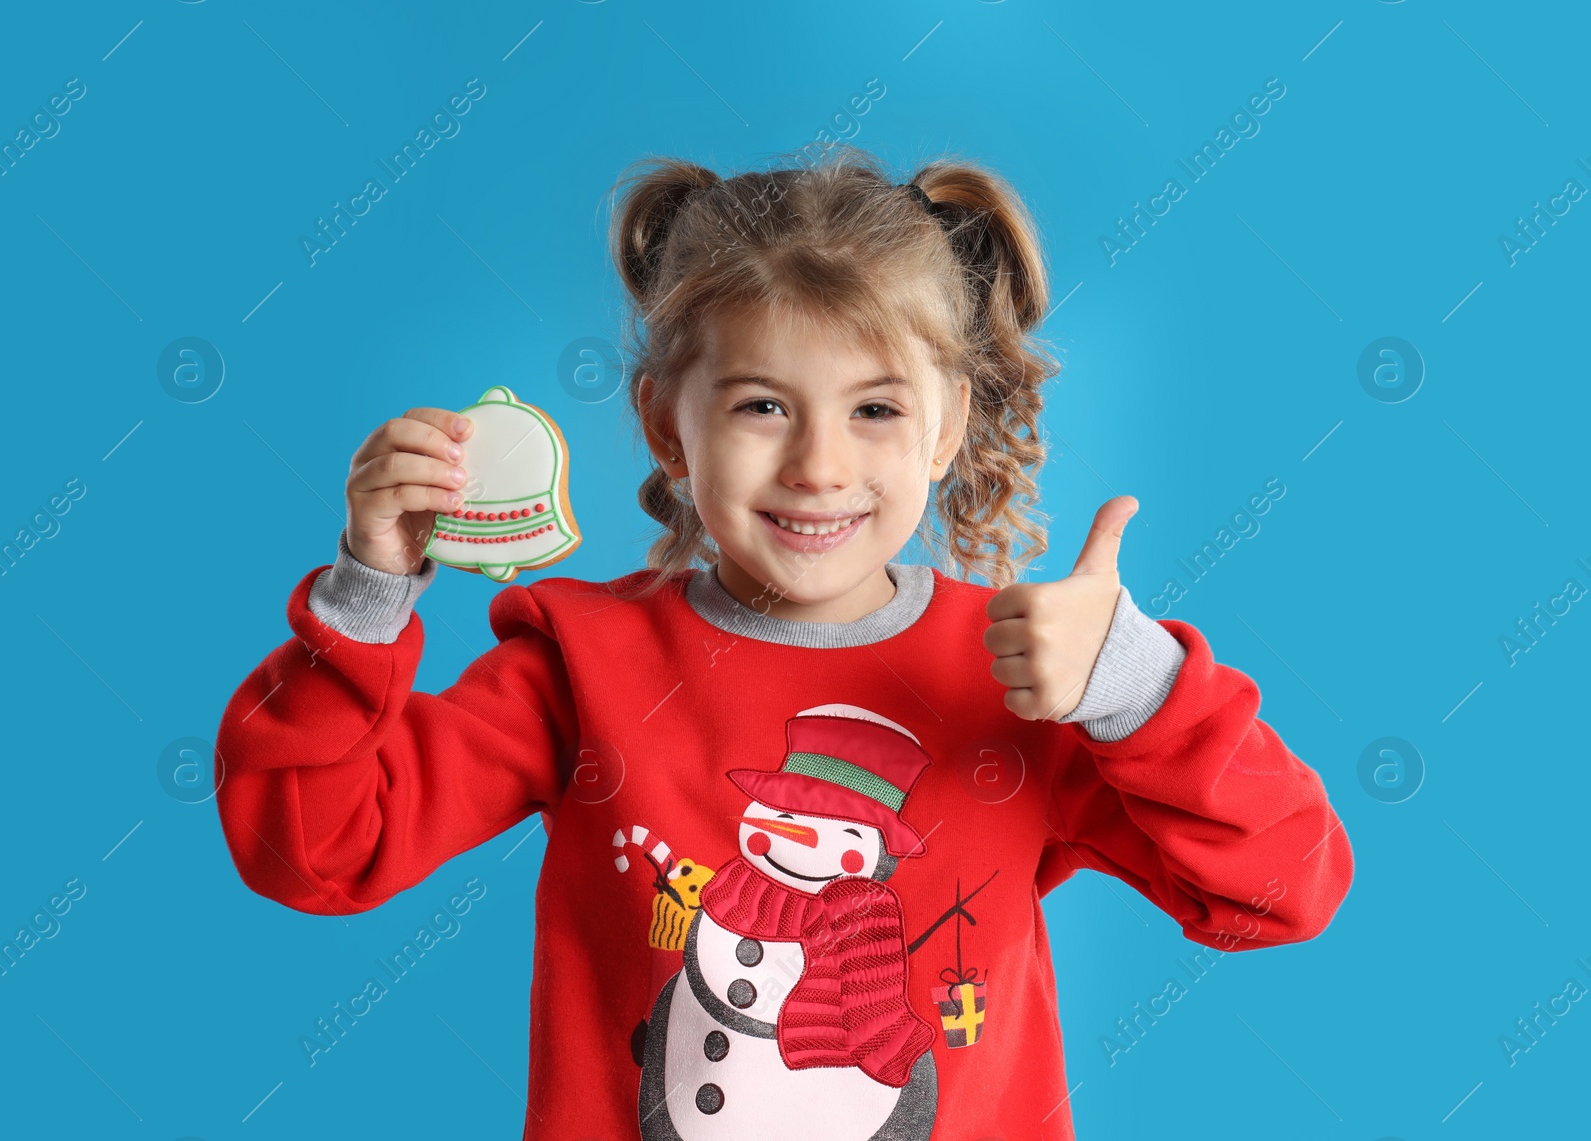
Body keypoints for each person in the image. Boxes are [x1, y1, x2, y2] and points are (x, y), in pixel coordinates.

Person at [214, 144, 1353, 1140]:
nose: (818, 465)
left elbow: (1282, 888)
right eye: (762, 405)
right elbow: (314, 848)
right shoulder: (580, 661)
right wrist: (368, 594)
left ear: (948, 422)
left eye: (875, 409)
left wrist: (1136, 688)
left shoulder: (1016, 677)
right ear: (668, 421)